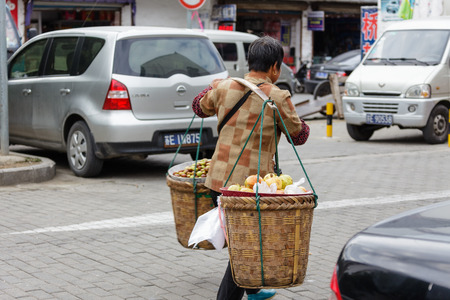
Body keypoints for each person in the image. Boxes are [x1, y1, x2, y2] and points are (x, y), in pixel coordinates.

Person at [192, 36, 310, 300]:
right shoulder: (277, 96)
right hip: (250, 188)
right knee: (244, 249)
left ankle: (253, 289)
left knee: (244, 240)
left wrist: (211, 87)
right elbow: (299, 136)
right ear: (275, 67)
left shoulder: (224, 87)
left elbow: (198, 107)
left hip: (217, 181)